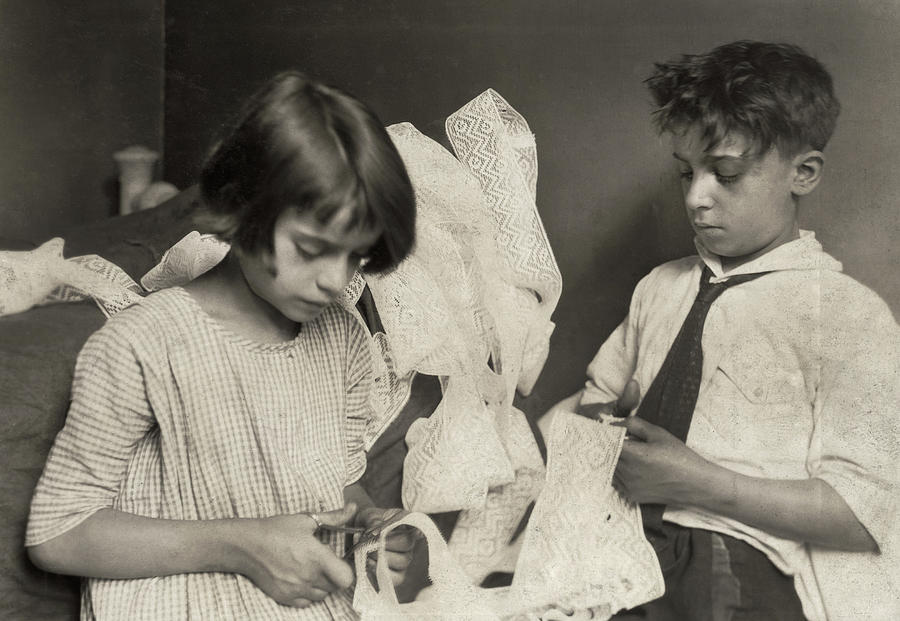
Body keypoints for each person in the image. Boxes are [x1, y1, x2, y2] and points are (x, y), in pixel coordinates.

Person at [26, 71, 418, 620]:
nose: (336, 279)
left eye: (356, 256)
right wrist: (244, 546)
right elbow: (56, 533)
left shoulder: (345, 338)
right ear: (242, 208)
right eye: (312, 248)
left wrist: (366, 525)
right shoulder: (144, 343)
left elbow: (340, 491)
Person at [542, 41, 900, 620]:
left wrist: (698, 483)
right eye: (686, 172)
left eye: (725, 175)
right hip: (617, 544)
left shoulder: (846, 315)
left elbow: (864, 515)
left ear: (803, 174)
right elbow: (595, 403)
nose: (694, 197)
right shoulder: (658, 288)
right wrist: (602, 426)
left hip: (738, 558)